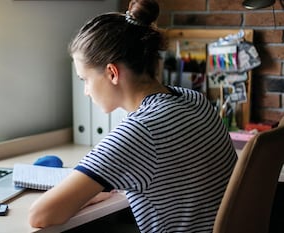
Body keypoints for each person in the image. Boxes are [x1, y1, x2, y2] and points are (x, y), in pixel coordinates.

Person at [29, 0, 238, 232]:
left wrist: (81, 196)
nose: (86, 91)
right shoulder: (195, 100)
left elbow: (40, 215)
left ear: (112, 73)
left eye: (85, 80)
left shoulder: (140, 130)